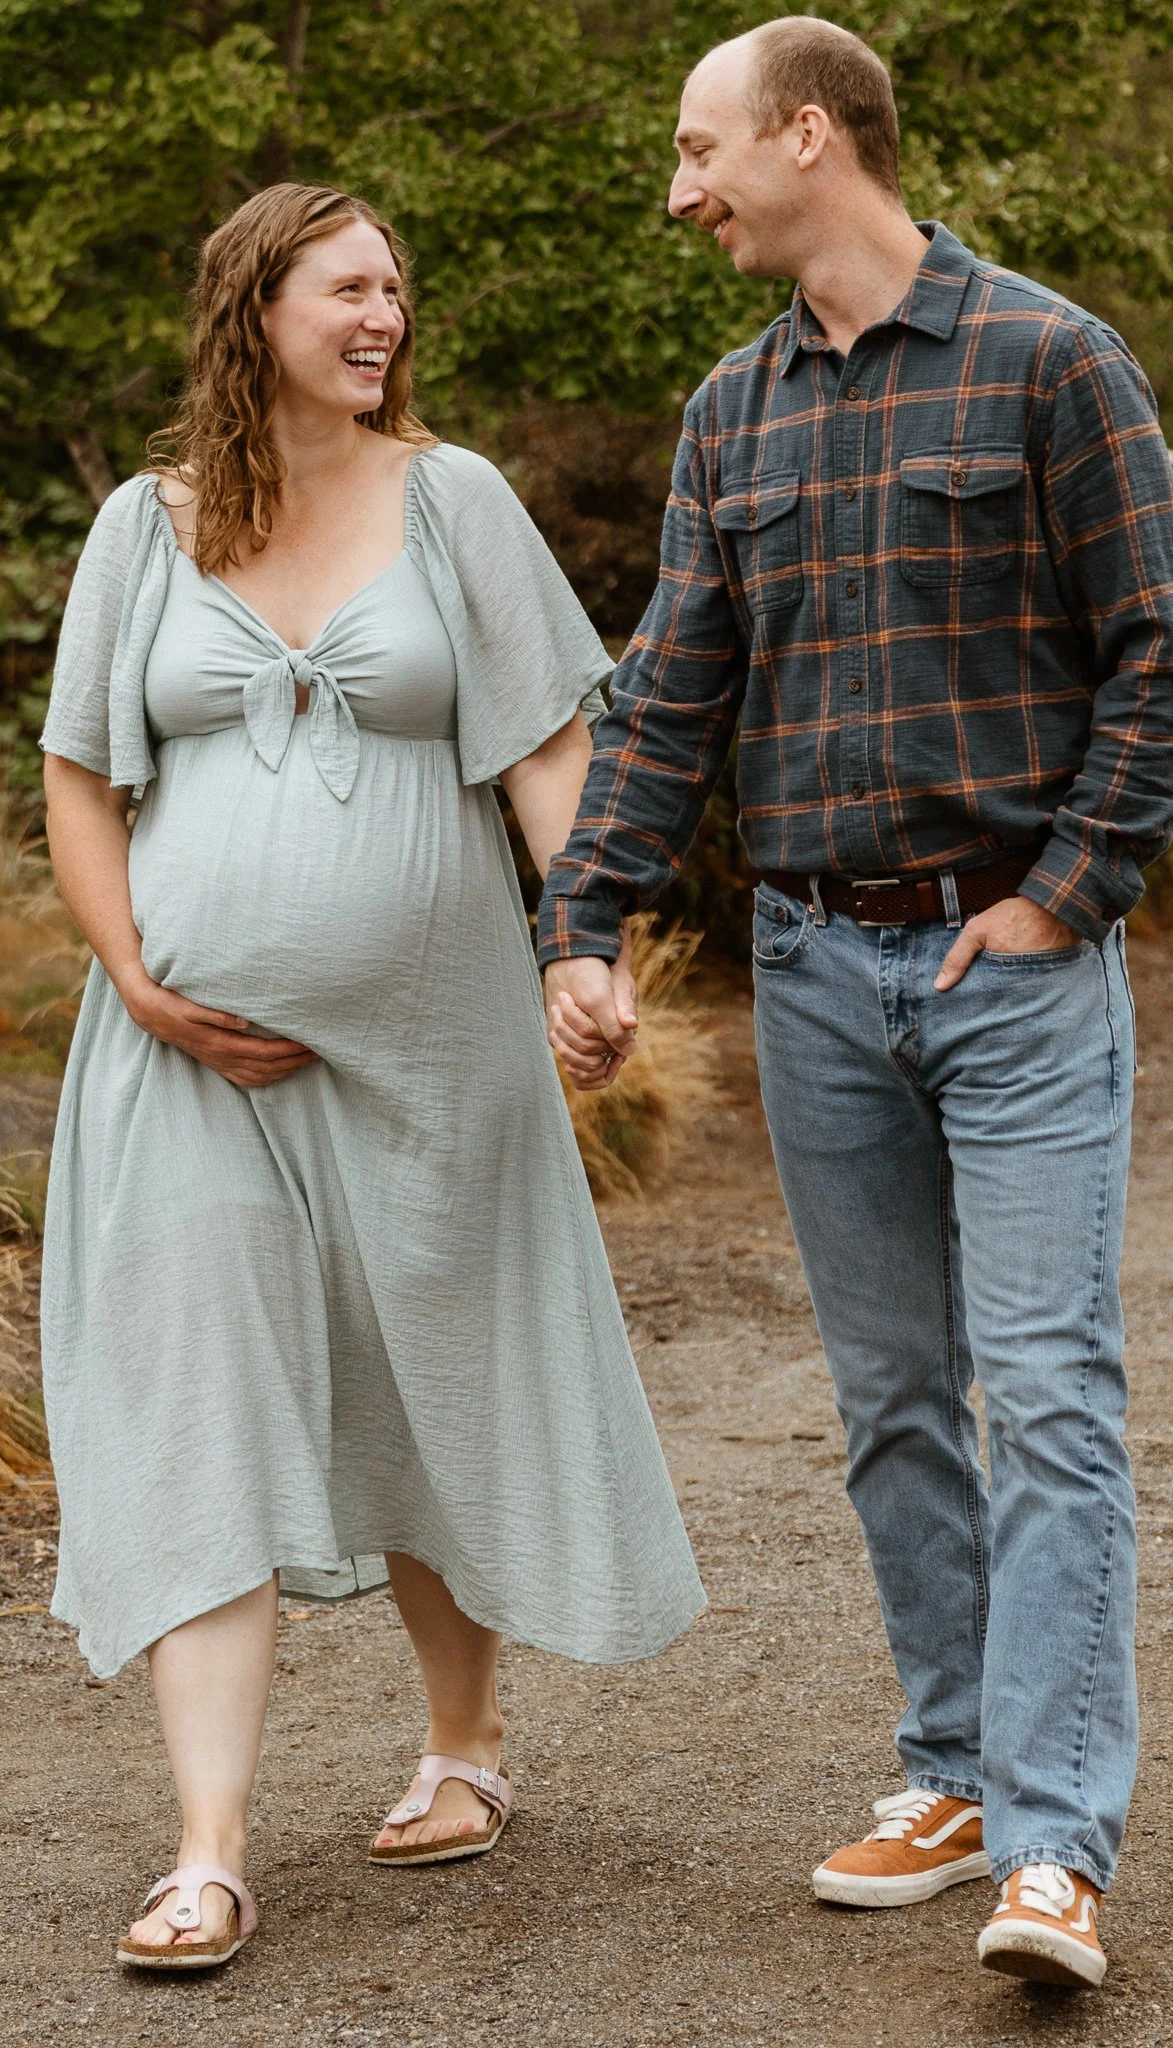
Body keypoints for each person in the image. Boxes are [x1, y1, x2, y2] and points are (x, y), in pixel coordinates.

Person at [539, 16, 1173, 1995]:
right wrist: (590, 917)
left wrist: (1067, 893)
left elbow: (1156, 652)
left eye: (699, 145)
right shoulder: (733, 413)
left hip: (1014, 963)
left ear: (810, 137)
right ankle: (953, 1768)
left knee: (1049, 1395)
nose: (678, 187)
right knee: (896, 1397)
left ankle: (1055, 1846)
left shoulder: (1052, 361)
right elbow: (668, 695)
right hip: (817, 969)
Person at [39, 182, 704, 1971]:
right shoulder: (142, 525)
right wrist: (136, 981)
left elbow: (551, 752)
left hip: (435, 1050)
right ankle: (207, 1849)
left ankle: (464, 1745)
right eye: (348, 287)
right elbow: (83, 779)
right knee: (199, 1400)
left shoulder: (453, 499)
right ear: (253, 302)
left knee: (430, 1375)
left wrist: (586, 946)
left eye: (397, 290)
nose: (382, 316)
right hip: (187, 1063)